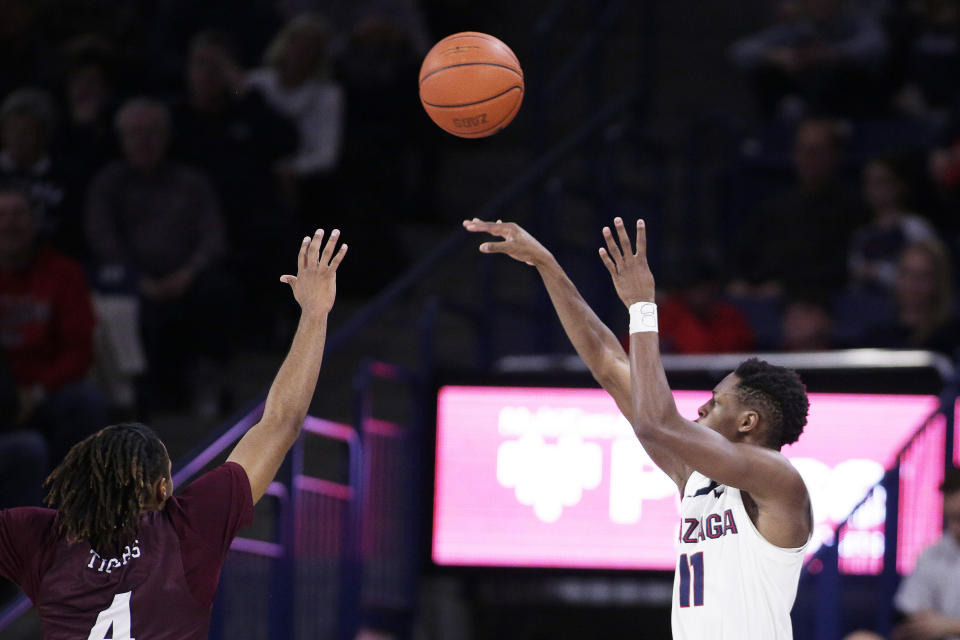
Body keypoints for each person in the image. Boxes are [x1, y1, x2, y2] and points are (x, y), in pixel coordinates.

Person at [465, 216, 812, 638]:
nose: (701, 408)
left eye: (716, 401)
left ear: (748, 422)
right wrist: (546, 264)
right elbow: (607, 362)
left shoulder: (779, 480)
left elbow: (655, 422)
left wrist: (643, 308)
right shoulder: (697, 477)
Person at [0, 227, 348, 637]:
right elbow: (281, 422)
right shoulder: (189, 527)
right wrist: (314, 314)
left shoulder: (40, 536)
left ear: (80, 482)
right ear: (164, 490)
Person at [85, 98, 234, 414]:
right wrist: (138, 280)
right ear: (122, 139)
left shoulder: (192, 182)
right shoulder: (108, 183)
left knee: (219, 291)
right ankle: (142, 395)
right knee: (128, 307)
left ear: (166, 138)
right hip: (132, 278)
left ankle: (207, 379)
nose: (144, 141)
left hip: (188, 276)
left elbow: (213, 236)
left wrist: (188, 273)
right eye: (135, 133)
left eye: (152, 132)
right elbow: (103, 239)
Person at [0, 184, 106, 466]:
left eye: (18, 214)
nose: (9, 224)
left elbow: (80, 350)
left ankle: (68, 500)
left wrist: (36, 392)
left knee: (87, 401)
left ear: (35, 223)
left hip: (48, 391)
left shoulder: (63, 272)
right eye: (2, 215)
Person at [730, 118, 863, 301]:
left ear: (834, 155)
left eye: (816, 151)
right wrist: (740, 281)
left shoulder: (853, 208)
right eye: (802, 149)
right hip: (761, 296)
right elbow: (744, 254)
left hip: (816, 301)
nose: (808, 157)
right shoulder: (774, 206)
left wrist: (788, 287)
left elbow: (842, 267)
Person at [849, 156, 938, 293]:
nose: (875, 189)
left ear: (899, 185)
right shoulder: (862, 233)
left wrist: (878, 273)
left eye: (882, 181)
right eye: (870, 182)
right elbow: (855, 271)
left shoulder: (915, 226)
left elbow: (930, 272)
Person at [892, 467, 960, 640]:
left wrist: (949, 626)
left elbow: (941, 626)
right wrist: (921, 625)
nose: (954, 527)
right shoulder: (933, 553)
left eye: (959, 518)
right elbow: (908, 610)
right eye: (949, 518)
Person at [861, 238, 959, 356]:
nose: (912, 284)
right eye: (905, 273)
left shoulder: (951, 338)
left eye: (922, 276)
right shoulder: (876, 339)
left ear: (938, 282)